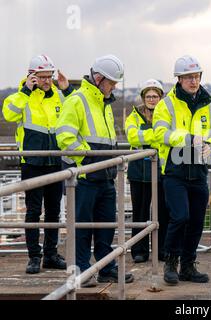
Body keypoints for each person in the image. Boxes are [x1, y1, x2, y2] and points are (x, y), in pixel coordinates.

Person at [56, 54, 134, 287]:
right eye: (111, 83)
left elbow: (106, 140)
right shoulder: (77, 100)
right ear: (98, 78)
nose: (114, 88)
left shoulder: (104, 102)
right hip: (85, 176)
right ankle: (82, 270)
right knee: (82, 226)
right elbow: (64, 136)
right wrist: (87, 158)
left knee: (105, 225)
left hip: (105, 176)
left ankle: (106, 267)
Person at [2, 55, 74, 274]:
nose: (47, 81)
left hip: (54, 160)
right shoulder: (19, 97)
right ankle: (34, 256)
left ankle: (51, 255)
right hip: (32, 162)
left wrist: (67, 89)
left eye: (49, 76)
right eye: (42, 77)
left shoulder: (58, 97)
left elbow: (74, 111)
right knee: (33, 211)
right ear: (31, 76)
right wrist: (25, 91)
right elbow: (9, 114)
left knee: (53, 210)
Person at [153, 55, 211, 285]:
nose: (193, 81)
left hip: (198, 171)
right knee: (180, 217)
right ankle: (171, 263)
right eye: (188, 77)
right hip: (175, 172)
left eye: (197, 76)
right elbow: (160, 134)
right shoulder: (166, 104)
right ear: (178, 79)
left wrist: (210, 148)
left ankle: (188, 266)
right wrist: (188, 139)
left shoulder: (209, 104)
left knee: (197, 220)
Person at [125, 79, 169, 263]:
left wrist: (148, 138)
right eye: (149, 96)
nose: (152, 99)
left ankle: (161, 250)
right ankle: (139, 250)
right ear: (143, 98)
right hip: (138, 173)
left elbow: (166, 138)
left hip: (161, 172)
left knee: (162, 213)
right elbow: (133, 137)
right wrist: (155, 137)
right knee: (140, 213)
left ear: (161, 98)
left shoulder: (166, 115)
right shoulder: (133, 117)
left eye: (155, 96)